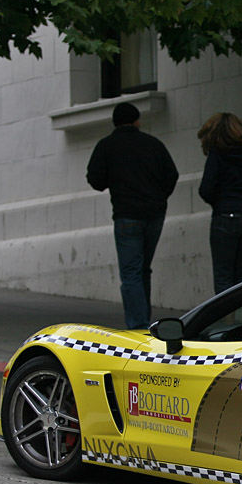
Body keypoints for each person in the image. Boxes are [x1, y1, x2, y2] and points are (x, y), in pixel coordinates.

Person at [86, 102, 179, 329]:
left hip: (126, 214)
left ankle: (137, 324)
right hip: (155, 214)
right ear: (137, 121)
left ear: (115, 123)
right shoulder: (153, 144)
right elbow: (171, 175)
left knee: (131, 271)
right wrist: (159, 198)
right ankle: (145, 319)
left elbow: (95, 180)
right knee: (143, 268)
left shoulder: (107, 146)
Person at [197, 112, 242, 296]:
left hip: (225, 215)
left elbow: (205, 189)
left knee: (223, 276)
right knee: (241, 275)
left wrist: (221, 201)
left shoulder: (216, 156)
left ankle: (228, 323)